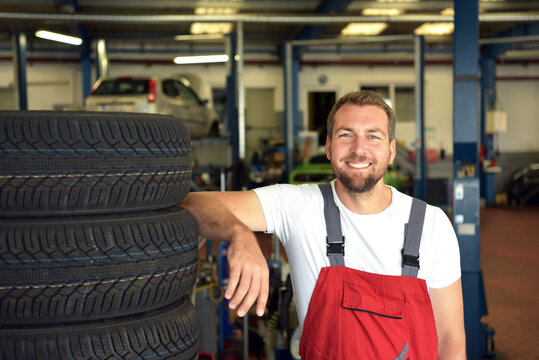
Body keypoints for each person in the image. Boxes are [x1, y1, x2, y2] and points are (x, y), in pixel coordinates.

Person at [181, 90, 466, 359]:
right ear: (329, 147)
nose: (359, 149)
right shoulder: (299, 206)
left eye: (373, 137)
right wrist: (240, 234)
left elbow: (451, 339)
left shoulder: (431, 224)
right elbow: (191, 203)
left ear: (391, 152)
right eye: (346, 135)